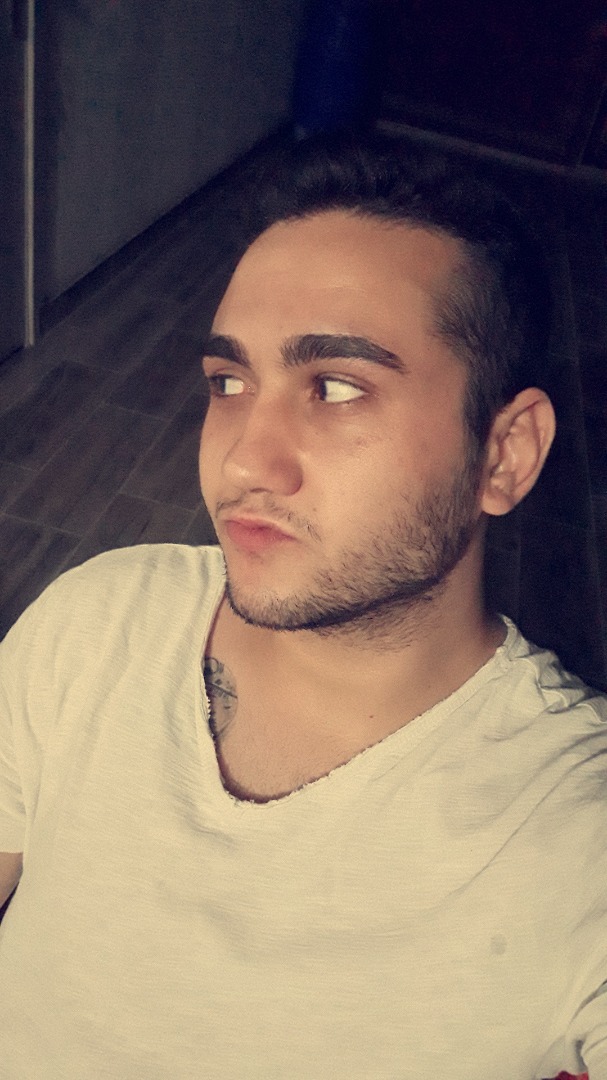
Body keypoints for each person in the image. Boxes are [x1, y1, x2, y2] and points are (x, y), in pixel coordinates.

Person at [0, 131, 604, 1080]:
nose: (243, 459)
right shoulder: (99, 618)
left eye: (334, 387)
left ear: (504, 453)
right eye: (228, 383)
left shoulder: (572, 833)